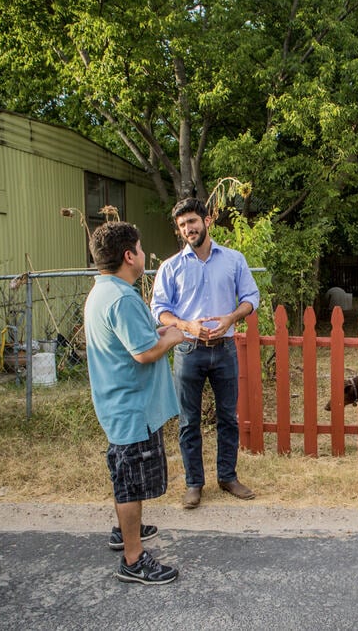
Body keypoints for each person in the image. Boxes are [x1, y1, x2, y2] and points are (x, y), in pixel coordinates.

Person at [84, 221, 185, 584]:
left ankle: (126, 531)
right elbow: (143, 353)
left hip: (117, 402)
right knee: (129, 481)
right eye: (140, 250)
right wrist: (172, 337)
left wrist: (161, 331)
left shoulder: (104, 290)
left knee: (124, 473)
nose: (143, 255)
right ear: (129, 255)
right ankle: (133, 558)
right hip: (130, 407)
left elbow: (132, 339)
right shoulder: (123, 297)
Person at [151, 197, 260, 509]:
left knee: (228, 417)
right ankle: (194, 484)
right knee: (189, 421)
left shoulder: (233, 260)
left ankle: (227, 477)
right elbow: (159, 310)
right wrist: (187, 325)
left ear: (207, 220)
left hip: (225, 349)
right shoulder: (170, 267)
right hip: (188, 350)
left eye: (193, 222)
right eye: (183, 225)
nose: (188, 229)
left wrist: (230, 317)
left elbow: (252, 296)